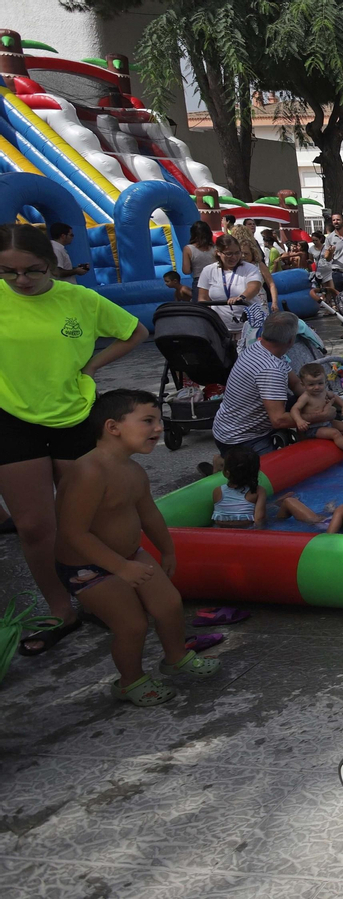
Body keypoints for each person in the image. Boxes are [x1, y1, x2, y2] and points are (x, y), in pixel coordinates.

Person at [2, 224, 149, 657]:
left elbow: (135, 332)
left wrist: (90, 367)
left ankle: (103, 597)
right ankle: (60, 608)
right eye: (8, 272)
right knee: (33, 526)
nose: (21, 280)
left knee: (90, 520)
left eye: (32, 269)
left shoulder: (78, 298)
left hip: (72, 414)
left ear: (50, 263)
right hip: (10, 418)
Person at [55, 389, 218, 706]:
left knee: (169, 604)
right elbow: (74, 533)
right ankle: (130, 681)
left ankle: (175, 657)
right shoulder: (88, 472)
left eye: (158, 420)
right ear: (113, 427)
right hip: (90, 568)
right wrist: (120, 567)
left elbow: (149, 514)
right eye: (147, 421)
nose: (158, 428)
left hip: (130, 557)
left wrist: (167, 549)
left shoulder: (133, 470)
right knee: (132, 625)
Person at [207, 312, 302, 473]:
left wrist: (320, 398)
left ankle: (227, 460)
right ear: (291, 340)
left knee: (306, 404)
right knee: (275, 478)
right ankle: (226, 463)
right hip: (240, 438)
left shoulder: (259, 347)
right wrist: (319, 416)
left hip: (226, 427)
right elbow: (278, 420)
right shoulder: (270, 369)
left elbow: (296, 383)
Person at [291, 363, 343, 456]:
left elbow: (334, 396)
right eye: (311, 384)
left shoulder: (323, 392)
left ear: (325, 381)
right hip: (313, 428)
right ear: (303, 384)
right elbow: (295, 409)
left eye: (320, 383)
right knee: (335, 433)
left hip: (326, 422)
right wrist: (299, 421)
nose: (317, 387)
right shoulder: (305, 397)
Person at [196, 235, 265, 337]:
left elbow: (254, 287)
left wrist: (241, 298)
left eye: (237, 253)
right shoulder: (208, 270)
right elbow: (203, 298)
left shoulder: (249, 268)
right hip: (221, 327)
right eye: (229, 254)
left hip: (250, 326)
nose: (234, 257)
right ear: (218, 253)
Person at [211, 446, 266, 529]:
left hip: (221, 530)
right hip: (246, 529)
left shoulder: (217, 491)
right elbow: (259, 519)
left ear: (226, 473)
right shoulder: (258, 491)